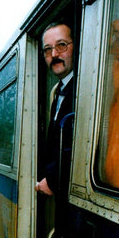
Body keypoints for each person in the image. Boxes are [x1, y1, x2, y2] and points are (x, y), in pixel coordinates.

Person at [36, 22, 76, 198]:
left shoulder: (83, 88)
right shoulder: (59, 92)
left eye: (61, 45)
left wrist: (52, 180)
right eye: (47, 50)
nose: (54, 54)